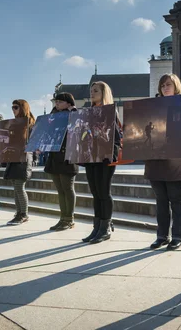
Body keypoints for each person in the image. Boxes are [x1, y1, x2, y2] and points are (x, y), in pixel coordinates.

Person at [146, 74, 181, 250]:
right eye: (162, 85)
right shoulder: (152, 107)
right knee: (161, 200)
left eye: (168, 84)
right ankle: (162, 236)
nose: (165, 88)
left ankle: (178, 236)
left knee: (177, 199)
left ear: (176, 86)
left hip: (177, 160)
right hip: (157, 160)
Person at [81, 82, 122, 244]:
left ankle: (105, 227)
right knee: (95, 193)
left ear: (104, 93)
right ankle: (97, 227)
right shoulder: (88, 112)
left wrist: (110, 155)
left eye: (96, 91)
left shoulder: (110, 112)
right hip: (91, 158)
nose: (92, 93)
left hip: (104, 158)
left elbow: (117, 137)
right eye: (91, 91)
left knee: (104, 192)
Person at [44, 93, 79, 231]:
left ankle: (69, 219)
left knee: (68, 188)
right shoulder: (54, 116)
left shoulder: (74, 113)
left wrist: (73, 112)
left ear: (69, 103)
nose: (56, 104)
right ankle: (62, 218)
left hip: (68, 157)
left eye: (60, 102)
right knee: (60, 190)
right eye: (55, 101)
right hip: (55, 156)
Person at [3, 100, 35, 225]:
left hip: (24, 158)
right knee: (16, 188)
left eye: (15, 107)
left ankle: (24, 214)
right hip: (14, 157)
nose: (13, 109)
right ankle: (18, 213)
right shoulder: (14, 124)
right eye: (12, 107)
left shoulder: (30, 124)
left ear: (22, 108)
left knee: (19, 187)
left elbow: (32, 143)